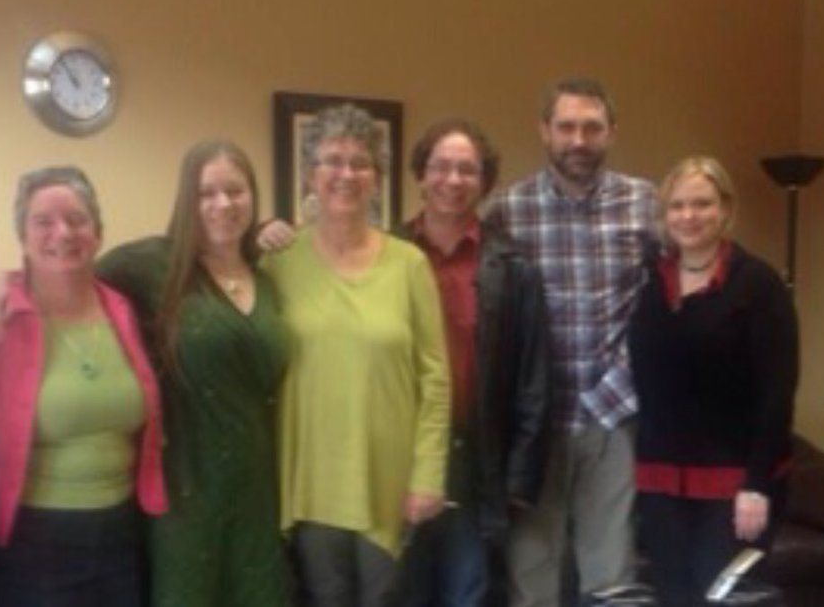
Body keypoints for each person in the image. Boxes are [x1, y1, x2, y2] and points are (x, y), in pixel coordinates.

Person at [263, 103, 451, 607]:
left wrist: (428, 475)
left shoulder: (409, 264)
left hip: (388, 481)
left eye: (360, 162)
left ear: (377, 178)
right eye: (332, 160)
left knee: (385, 598)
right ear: (310, 173)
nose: (346, 174)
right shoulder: (279, 262)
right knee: (325, 597)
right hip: (311, 481)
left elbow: (435, 379)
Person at [484, 78, 658, 607]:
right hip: (536, 424)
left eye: (591, 128)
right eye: (566, 127)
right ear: (545, 131)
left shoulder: (646, 203)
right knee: (532, 574)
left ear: (611, 132)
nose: (578, 140)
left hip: (614, 416)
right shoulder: (508, 210)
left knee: (611, 576)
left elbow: (682, 287)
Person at [96, 140, 291, 607]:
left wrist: (271, 231)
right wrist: (5, 285)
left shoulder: (268, 274)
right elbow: (70, 273)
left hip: (258, 488)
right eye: (207, 193)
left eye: (235, 191)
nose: (223, 204)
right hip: (185, 487)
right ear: (187, 200)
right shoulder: (153, 265)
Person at [0, 166, 168, 605]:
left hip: (123, 531)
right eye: (43, 221)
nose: (63, 233)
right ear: (23, 236)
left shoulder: (124, 308)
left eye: (77, 220)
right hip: (36, 539)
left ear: (97, 233)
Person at [629, 156, 798, 607]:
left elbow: (777, 391)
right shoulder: (652, 285)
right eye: (677, 206)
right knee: (673, 596)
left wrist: (757, 485)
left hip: (735, 483)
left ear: (725, 208)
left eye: (702, 204)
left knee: (720, 598)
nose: (689, 216)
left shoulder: (757, 284)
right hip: (661, 481)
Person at [396, 119, 551, 607]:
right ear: (420, 174)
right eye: (441, 166)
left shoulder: (514, 265)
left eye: (468, 169)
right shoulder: (383, 255)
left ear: (485, 182)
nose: (453, 179)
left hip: (476, 455)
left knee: (467, 589)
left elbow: (533, 379)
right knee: (401, 589)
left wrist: (519, 479)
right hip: (399, 451)